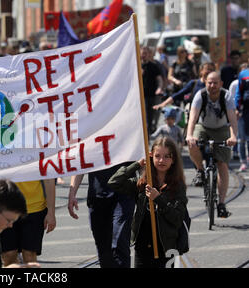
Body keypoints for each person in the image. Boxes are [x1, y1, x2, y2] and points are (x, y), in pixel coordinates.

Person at [108, 136, 188, 268]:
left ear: (173, 160)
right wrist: (137, 165)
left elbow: (177, 218)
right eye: (157, 156)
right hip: (143, 246)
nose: (162, 160)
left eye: (167, 156)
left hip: (167, 248)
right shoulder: (143, 183)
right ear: (151, 157)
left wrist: (158, 199)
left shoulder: (178, 186)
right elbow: (114, 182)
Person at [186, 72, 238, 218]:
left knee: (222, 164)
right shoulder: (200, 95)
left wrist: (233, 136)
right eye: (209, 82)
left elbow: (232, 119)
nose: (212, 86)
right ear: (205, 82)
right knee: (192, 144)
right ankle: (200, 171)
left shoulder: (226, 96)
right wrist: (190, 135)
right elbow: (193, 117)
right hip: (203, 126)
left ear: (221, 83)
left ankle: (221, 203)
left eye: (215, 83)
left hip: (221, 129)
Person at [68, 165, 135, 268]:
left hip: (124, 194)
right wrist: (72, 193)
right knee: (103, 249)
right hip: (97, 196)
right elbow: (80, 163)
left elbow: (141, 159)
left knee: (120, 240)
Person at [0, 180, 56, 266]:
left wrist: (51, 212)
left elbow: (48, 180)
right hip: (5, 208)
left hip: (35, 208)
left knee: (29, 256)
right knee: (8, 256)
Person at [141, 46, 164, 134]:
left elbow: (159, 79)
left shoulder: (153, 66)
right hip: (142, 95)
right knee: (144, 115)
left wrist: (159, 88)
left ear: (149, 55)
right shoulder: (137, 66)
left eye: (145, 54)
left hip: (151, 94)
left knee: (151, 115)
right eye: (142, 53)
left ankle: (150, 131)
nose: (144, 55)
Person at [234, 64, 249, 172]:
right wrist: (237, 108)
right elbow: (238, 92)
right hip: (245, 110)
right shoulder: (243, 74)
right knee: (242, 138)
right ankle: (243, 162)